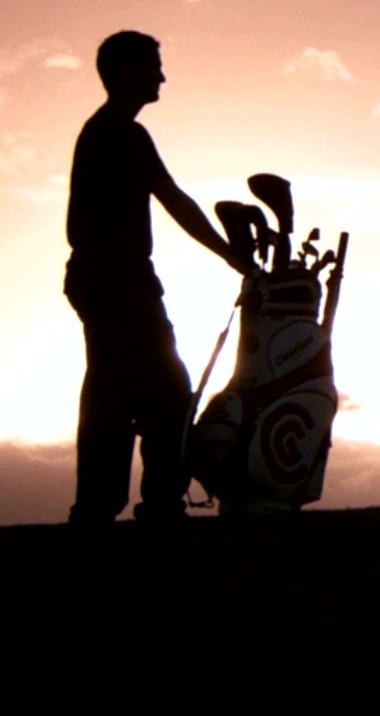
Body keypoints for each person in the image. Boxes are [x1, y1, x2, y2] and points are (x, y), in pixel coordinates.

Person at [65, 31, 250, 524]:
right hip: (116, 282)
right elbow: (175, 202)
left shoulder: (110, 131)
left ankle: (107, 506)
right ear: (127, 71)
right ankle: (150, 506)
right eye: (153, 65)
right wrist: (233, 257)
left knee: (118, 394)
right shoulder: (119, 133)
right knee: (163, 393)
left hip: (108, 281)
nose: (161, 75)